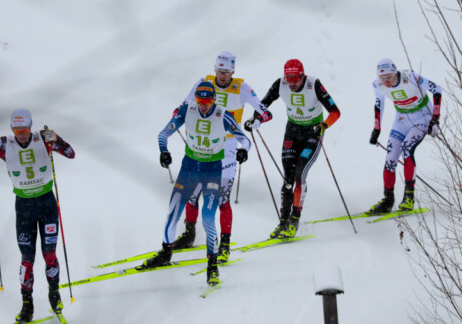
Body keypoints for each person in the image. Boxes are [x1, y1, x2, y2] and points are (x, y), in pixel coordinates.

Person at [0, 109, 75, 324]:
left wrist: (56, 139)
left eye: (25, 130)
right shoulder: (4, 144)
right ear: (12, 129)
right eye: (17, 131)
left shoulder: (42, 139)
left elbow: (70, 153)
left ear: (30, 127)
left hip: (47, 204)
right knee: (27, 259)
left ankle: (54, 295)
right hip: (24, 207)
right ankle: (27, 305)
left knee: (50, 254)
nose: (22, 135)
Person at [142, 81, 251, 286]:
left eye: (208, 102)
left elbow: (245, 139)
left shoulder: (223, 115)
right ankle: (166, 253)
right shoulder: (188, 110)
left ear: (214, 100)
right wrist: (164, 151)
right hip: (189, 168)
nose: (204, 106)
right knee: (173, 212)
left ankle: (212, 266)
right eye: (200, 101)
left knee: (208, 218)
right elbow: (163, 133)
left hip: (212, 171)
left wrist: (243, 150)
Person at [171, 51, 272, 262]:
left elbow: (265, 112)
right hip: (203, 147)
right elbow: (184, 105)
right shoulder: (205, 82)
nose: (222, 76)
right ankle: (189, 234)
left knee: (222, 198)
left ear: (233, 71)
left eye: (226, 72)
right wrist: (177, 115)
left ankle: (224, 243)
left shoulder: (241, 87)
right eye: (219, 71)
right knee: (192, 193)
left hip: (228, 148)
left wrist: (256, 122)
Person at [252, 59, 341, 238]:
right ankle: (283, 222)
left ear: (303, 76)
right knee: (288, 179)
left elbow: (335, 112)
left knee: (300, 173)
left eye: (296, 79)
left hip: (313, 132)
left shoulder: (314, 84)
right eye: (289, 79)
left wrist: (323, 126)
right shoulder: (280, 84)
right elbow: (263, 104)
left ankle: (294, 221)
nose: (292, 83)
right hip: (292, 131)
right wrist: (256, 119)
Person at [366, 57, 442, 214]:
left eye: (389, 77)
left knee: (407, 149)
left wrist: (435, 119)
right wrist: (376, 129)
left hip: (422, 117)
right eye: (383, 78)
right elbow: (379, 104)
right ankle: (388, 200)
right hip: (402, 119)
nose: (386, 82)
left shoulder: (410, 77)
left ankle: (409, 197)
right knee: (391, 157)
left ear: (396, 72)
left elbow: (437, 89)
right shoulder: (377, 84)